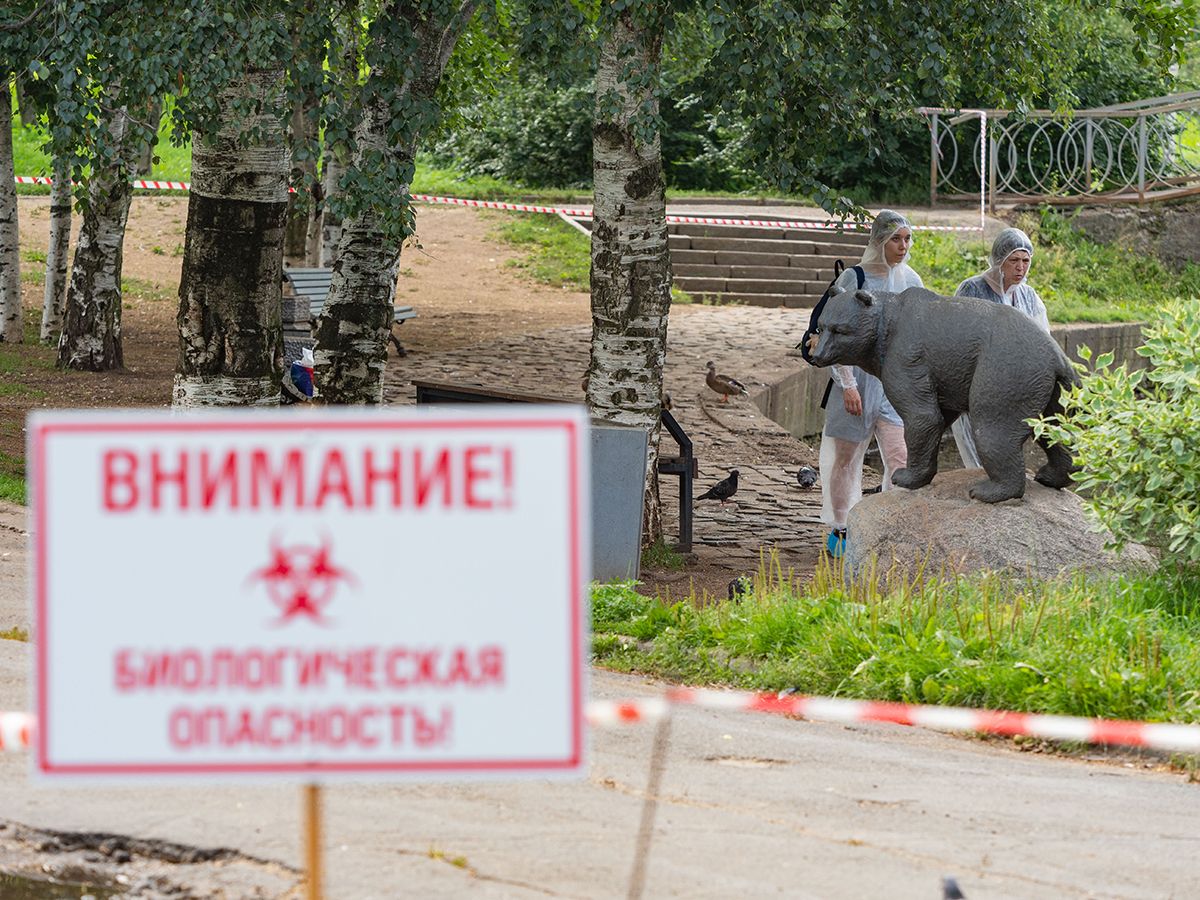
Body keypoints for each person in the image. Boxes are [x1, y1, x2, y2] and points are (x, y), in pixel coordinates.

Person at [819, 210, 924, 557]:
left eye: (907, 239)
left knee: (900, 455)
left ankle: (890, 526)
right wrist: (847, 384)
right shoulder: (856, 278)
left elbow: (920, 335)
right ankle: (841, 529)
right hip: (857, 379)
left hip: (894, 383)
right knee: (846, 458)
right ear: (879, 240)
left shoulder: (913, 282)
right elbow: (834, 330)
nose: (903, 246)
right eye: (896, 239)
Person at [951, 227, 1050, 468]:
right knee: (978, 462)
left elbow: (1043, 342)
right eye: (1014, 260)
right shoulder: (972, 290)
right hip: (975, 392)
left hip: (1013, 395)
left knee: (1003, 460)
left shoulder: (1028, 296)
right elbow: (957, 343)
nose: (1020, 268)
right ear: (999, 261)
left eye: (1026, 261)